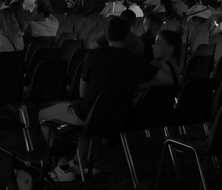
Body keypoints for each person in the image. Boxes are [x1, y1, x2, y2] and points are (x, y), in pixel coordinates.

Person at [38, 17, 148, 180]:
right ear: (127, 36)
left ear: (107, 35)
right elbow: (166, 79)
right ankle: (81, 161)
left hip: (89, 115)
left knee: (43, 115)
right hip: (118, 116)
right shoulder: (135, 60)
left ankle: (63, 166)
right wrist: (137, 87)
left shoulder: (94, 55)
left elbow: (83, 94)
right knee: (92, 114)